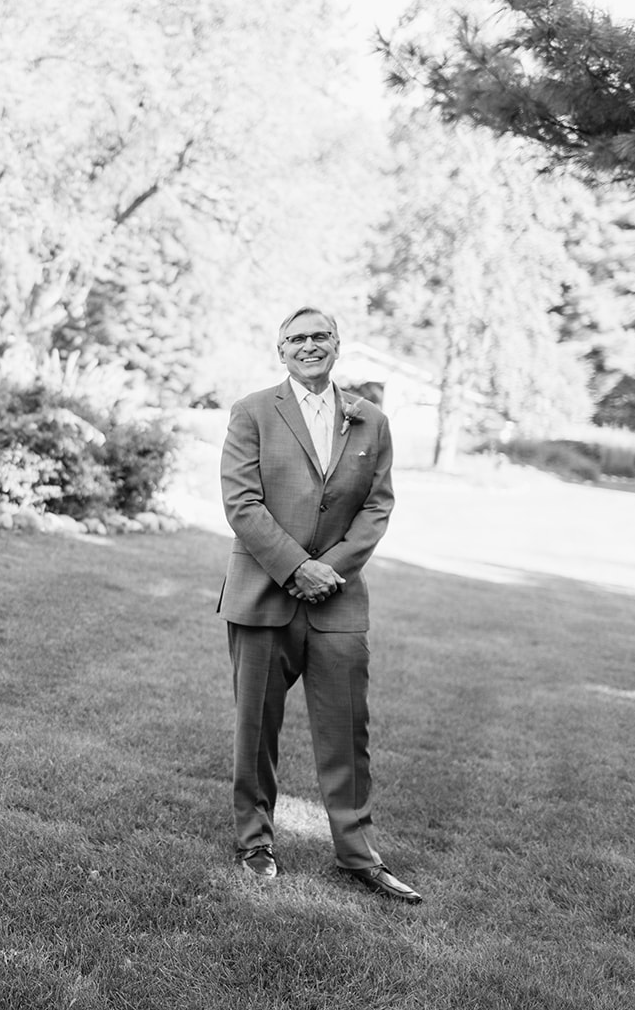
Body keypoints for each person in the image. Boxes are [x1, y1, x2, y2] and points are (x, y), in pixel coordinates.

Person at [217, 305, 421, 903]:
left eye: (320, 336)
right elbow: (242, 503)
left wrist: (327, 572)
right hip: (262, 597)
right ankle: (255, 840)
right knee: (256, 728)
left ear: (338, 345)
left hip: (338, 602)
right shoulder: (252, 411)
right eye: (296, 338)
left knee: (347, 731)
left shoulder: (370, 420)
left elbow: (376, 507)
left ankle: (358, 854)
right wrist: (295, 568)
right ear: (280, 350)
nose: (309, 346)